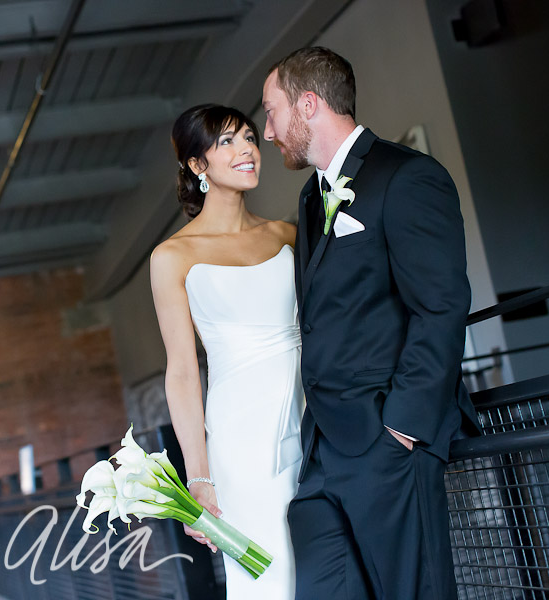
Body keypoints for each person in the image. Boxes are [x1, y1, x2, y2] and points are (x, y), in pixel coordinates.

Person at [261, 46, 481, 599]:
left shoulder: (408, 177)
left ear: (308, 105)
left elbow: (441, 306)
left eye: (272, 111)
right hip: (325, 451)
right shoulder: (312, 199)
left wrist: (403, 425)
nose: (267, 132)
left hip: (388, 440)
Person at [149, 104, 303, 598]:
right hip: (241, 437)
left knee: (331, 560)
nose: (247, 151)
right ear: (198, 165)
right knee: (269, 573)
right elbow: (181, 372)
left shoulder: (286, 235)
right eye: (227, 142)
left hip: (315, 413)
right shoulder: (172, 256)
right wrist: (199, 476)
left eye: (250, 138)